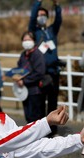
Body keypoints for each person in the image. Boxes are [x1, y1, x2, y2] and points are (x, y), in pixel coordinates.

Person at [28, 0, 62, 136]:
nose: (41, 17)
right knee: (41, 102)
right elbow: (31, 19)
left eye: (44, 15)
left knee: (52, 102)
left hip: (54, 72)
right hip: (41, 72)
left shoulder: (52, 30)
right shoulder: (34, 31)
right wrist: (38, 3)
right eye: (39, 15)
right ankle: (41, 131)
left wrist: (57, 6)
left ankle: (53, 130)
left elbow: (58, 20)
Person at [15, 31, 46, 123]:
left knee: (36, 117)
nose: (26, 41)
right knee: (28, 116)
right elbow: (19, 68)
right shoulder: (23, 54)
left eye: (29, 39)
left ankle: (39, 137)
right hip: (24, 91)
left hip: (35, 90)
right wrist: (16, 77)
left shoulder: (38, 54)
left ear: (34, 41)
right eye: (24, 40)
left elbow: (39, 73)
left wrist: (24, 81)